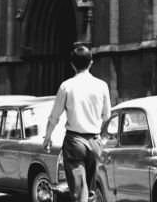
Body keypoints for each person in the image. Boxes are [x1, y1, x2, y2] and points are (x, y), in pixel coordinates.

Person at [43, 44, 111, 202]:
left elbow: (54, 117)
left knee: (79, 192)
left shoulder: (66, 86)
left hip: (75, 142)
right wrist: (102, 138)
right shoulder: (102, 86)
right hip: (95, 142)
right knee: (91, 192)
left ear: (72, 65)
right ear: (91, 63)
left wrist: (47, 137)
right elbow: (107, 115)